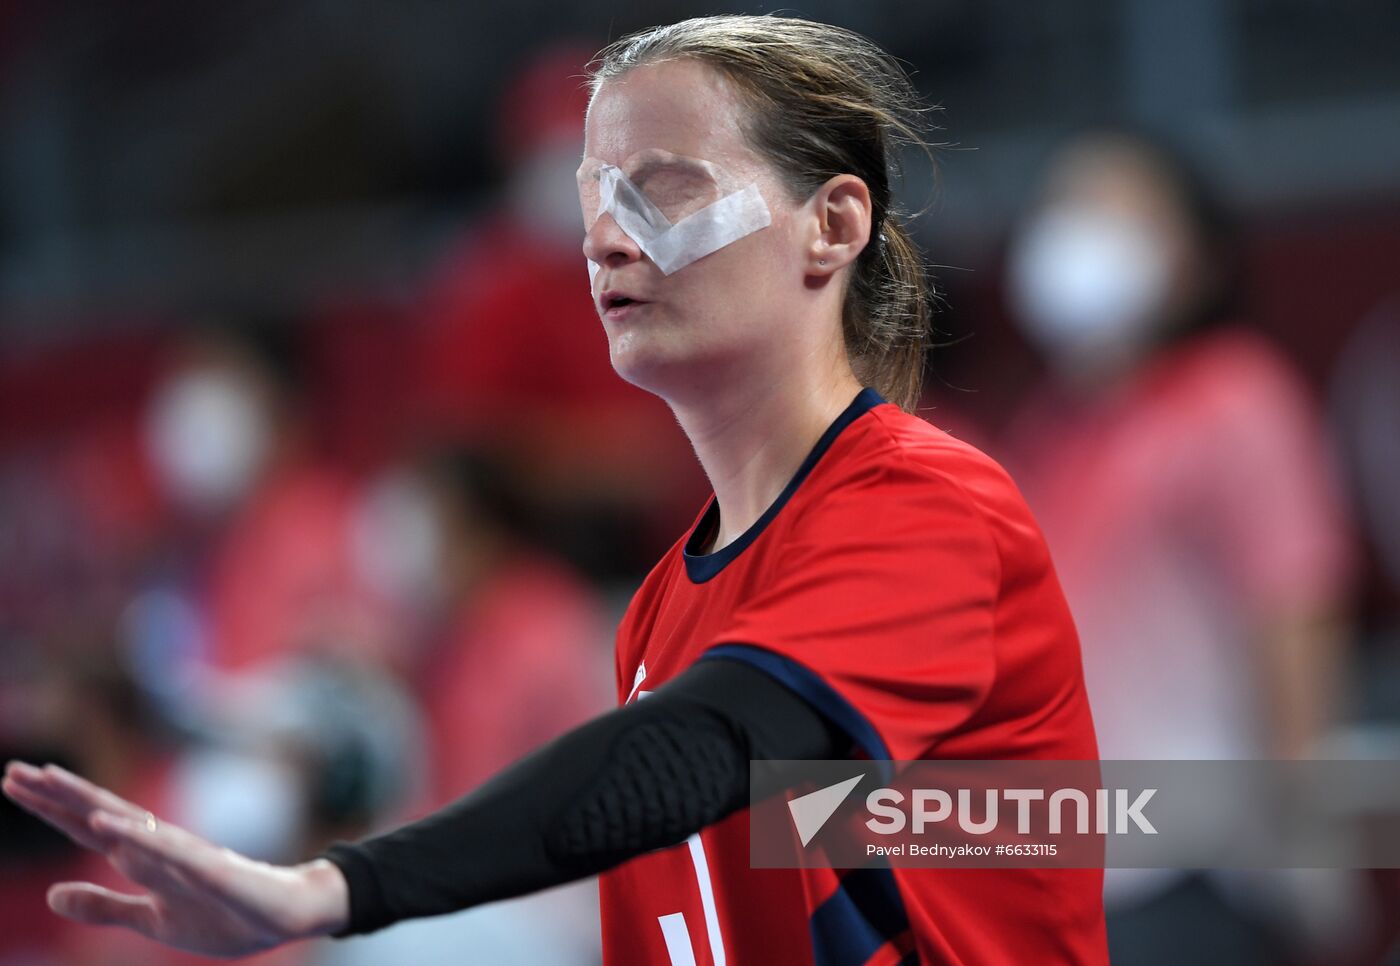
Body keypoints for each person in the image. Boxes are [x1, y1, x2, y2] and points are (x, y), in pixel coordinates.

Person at [3, 15, 1108, 965]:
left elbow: (705, 751)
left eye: (665, 187)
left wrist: (332, 888)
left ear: (831, 224)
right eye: (596, 195)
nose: (603, 240)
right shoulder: (658, 613)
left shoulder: (927, 503)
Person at [999, 130, 1359, 964]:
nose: (1085, 231)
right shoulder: (1049, 428)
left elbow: (1295, 608)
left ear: (1197, 260)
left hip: (1189, 865)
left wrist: (1307, 826)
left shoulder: (1235, 395)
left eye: (1123, 213)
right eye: (1070, 207)